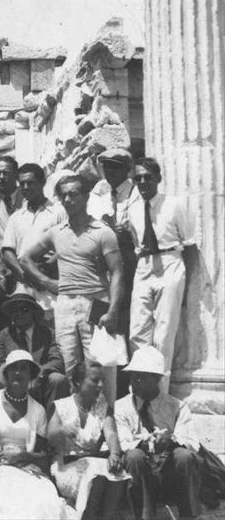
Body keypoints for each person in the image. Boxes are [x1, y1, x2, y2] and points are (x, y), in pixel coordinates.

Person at [21, 174, 124, 405]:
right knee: (68, 363)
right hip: (65, 302)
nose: (68, 199)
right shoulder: (57, 232)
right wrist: (47, 283)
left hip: (95, 300)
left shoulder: (102, 231)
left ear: (85, 196)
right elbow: (25, 258)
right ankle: (73, 421)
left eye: (73, 194)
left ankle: (106, 421)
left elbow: (117, 272)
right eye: (63, 195)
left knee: (99, 363)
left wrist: (113, 310)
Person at [0, 350, 68, 519]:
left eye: (24, 369)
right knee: (11, 501)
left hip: (26, 466)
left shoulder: (38, 410)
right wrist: (2, 456)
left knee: (45, 500)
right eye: (13, 368)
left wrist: (25, 456)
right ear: (6, 374)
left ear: (31, 374)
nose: (18, 373)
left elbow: (43, 453)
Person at [126, 158, 195, 394]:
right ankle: (140, 394)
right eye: (138, 178)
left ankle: (160, 396)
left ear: (158, 179)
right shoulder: (133, 208)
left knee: (164, 335)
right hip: (144, 265)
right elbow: (137, 242)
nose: (143, 182)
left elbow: (190, 247)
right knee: (137, 331)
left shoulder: (174, 205)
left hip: (170, 262)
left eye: (148, 177)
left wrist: (188, 288)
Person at [115, 347, 202, 520]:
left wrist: (171, 440)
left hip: (168, 471)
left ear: (157, 379)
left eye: (142, 376)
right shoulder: (122, 406)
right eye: (133, 375)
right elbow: (123, 443)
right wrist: (143, 443)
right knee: (133, 456)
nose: (135, 381)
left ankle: (189, 515)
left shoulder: (177, 407)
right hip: (140, 472)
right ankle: (143, 516)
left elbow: (193, 444)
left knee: (184, 456)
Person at [48, 361, 128, 520]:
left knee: (116, 472)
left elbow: (111, 433)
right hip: (65, 467)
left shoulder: (103, 407)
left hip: (94, 465)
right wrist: (61, 430)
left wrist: (114, 454)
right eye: (94, 380)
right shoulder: (61, 406)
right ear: (78, 382)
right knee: (96, 475)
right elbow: (49, 436)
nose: (100, 385)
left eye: (102, 380)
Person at [1, 163, 66, 322]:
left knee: (52, 330)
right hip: (24, 285)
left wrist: (45, 269)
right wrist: (24, 274)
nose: (25, 187)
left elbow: (67, 245)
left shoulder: (59, 211)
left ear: (42, 182)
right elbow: (7, 251)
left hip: (51, 281)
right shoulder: (16, 217)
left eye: (30, 183)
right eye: (21, 183)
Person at [87, 148, 139, 338]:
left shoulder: (136, 193)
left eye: (115, 168)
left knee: (130, 316)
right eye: (107, 168)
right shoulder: (102, 196)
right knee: (103, 320)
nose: (110, 173)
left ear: (127, 169)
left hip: (130, 260)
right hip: (106, 263)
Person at [0, 293, 68, 408]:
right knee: (0, 380)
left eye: (24, 309)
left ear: (33, 312)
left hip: (41, 382)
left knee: (57, 379)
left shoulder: (48, 333)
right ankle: (7, 419)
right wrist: (21, 375)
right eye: (14, 310)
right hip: (15, 381)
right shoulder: (5, 334)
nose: (18, 313)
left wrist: (38, 373)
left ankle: (52, 419)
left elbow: (57, 361)